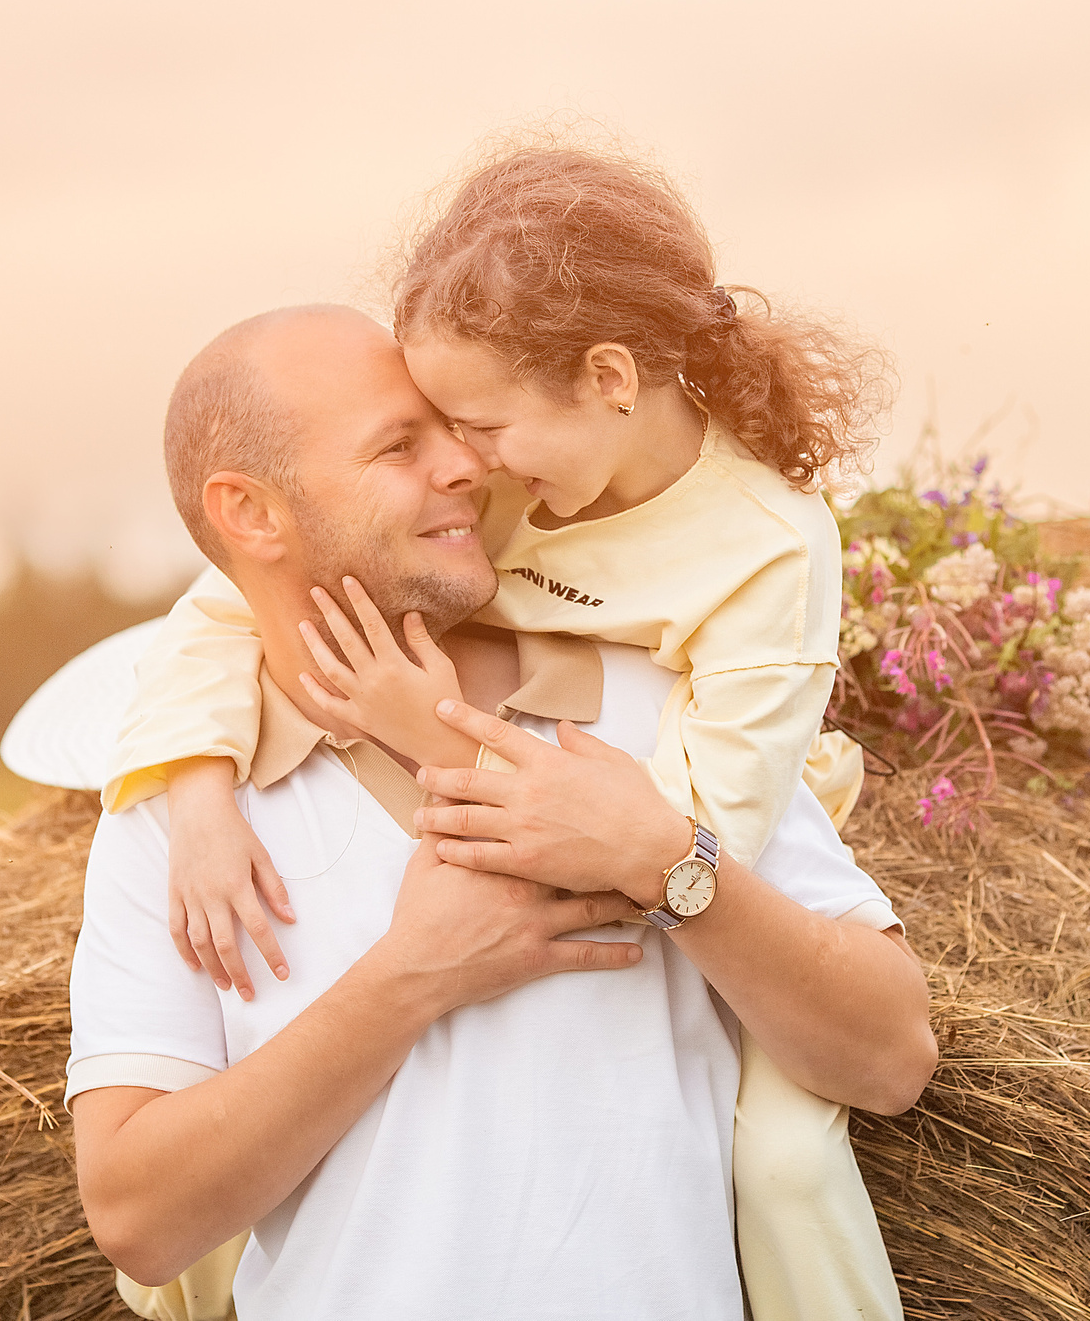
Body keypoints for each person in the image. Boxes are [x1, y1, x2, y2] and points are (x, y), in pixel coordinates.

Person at [93, 145, 903, 1318]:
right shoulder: (176, 829)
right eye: (402, 445)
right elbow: (135, 1218)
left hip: (693, 810)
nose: (465, 470)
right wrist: (213, 805)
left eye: (464, 430)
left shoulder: (659, 696)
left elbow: (885, 1049)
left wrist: (480, 762)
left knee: (787, 1168)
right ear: (249, 515)